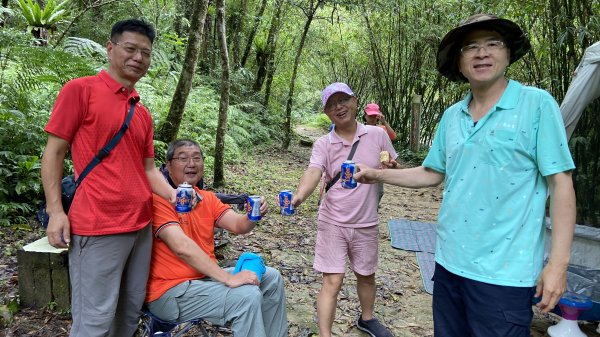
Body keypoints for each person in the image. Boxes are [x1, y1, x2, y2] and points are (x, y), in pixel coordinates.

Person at [354, 14, 576, 337]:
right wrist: (376, 174)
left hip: (504, 275)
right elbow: (431, 173)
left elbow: (561, 184)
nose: (481, 53)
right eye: (471, 47)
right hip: (447, 264)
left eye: (492, 44)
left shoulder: (536, 105)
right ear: (459, 63)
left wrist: (558, 264)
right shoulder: (451, 117)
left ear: (508, 53)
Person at [40, 19, 176, 337]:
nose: (138, 58)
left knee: (128, 315)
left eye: (145, 52)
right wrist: (56, 211)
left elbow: (149, 170)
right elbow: (53, 153)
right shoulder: (80, 91)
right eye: (130, 49)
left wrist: (174, 194)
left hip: (141, 227)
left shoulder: (140, 112)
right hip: (99, 226)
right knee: (94, 320)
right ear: (111, 48)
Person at [146, 139, 288, 337]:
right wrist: (228, 278)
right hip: (170, 291)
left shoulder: (208, 199)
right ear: (168, 166)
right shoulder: (158, 200)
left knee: (272, 278)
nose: (191, 164)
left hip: (203, 280)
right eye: (183, 158)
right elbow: (181, 246)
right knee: (246, 296)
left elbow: (239, 225)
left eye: (197, 158)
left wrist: (252, 214)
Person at [291, 82, 397, 337]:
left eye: (343, 100)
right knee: (333, 280)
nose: (338, 107)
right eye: (331, 104)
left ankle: (367, 318)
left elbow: (391, 166)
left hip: (366, 220)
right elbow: (314, 171)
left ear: (355, 101)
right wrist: (298, 196)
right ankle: (326, 334)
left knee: (366, 274)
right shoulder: (323, 143)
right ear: (326, 112)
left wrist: (390, 168)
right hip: (333, 221)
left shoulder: (377, 134)